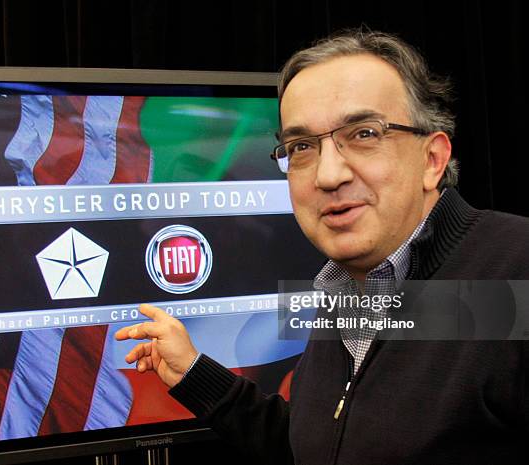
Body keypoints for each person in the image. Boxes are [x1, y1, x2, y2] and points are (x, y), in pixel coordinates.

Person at [115, 29, 529, 464]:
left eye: (365, 133)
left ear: (432, 160)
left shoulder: (514, 273)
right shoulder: (344, 288)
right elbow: (325, 447)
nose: (328, 175)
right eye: (301, 147)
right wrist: (195, 375)